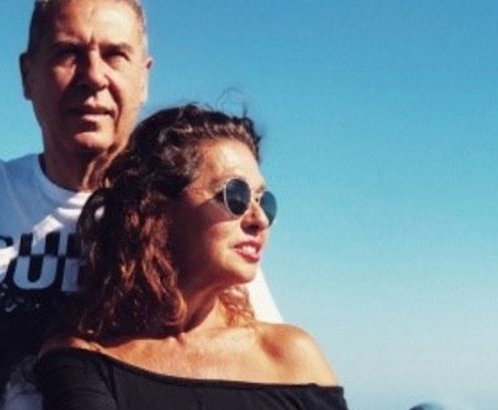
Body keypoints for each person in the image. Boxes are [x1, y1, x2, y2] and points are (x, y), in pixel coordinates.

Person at [0, 1, 280, 409]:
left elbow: (263, 355)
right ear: (28, 75)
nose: (93, 76)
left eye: (115, 55)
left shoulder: (185, 209)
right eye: (68, 53)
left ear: (144, 77)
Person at [34, 104, 349, 410]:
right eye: (235, 195)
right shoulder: (84, 360)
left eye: (263, 201)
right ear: (154, 206)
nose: (260, 219)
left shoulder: (291, 356)